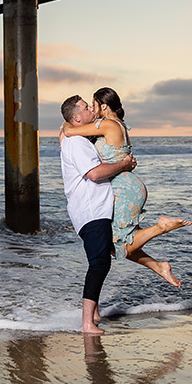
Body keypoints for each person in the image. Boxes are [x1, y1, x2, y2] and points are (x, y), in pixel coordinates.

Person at [62, 87, 191, 287]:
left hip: (124, 189)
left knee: (120, 244)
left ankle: (161, 227)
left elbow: (69, 130)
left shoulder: (108, 125)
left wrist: (68, 124)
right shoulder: (113, 125)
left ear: (103, 106)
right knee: (115, 246)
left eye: (93, 104)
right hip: (124, 186)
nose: (92, 108)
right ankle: (159, 266)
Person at [60, 95, 136, 335]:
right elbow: (94, 173)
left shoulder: (79, 138)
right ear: (76, 117)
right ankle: (86, 323)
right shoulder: (76, 143)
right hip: (91, 209)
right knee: (99, 262)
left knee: (101, 258)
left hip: (95, 208)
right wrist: (123, 165)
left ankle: (93, 314)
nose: (90, 110)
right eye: (85, 107)